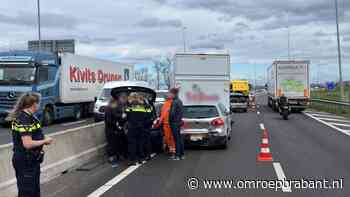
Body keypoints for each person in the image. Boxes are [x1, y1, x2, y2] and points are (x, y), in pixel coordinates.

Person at [6, 92, 53, 197]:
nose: (39, 105)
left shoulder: (31, 117)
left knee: (34, 191)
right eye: (39, 103)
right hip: (25, 161)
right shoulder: (24, 119)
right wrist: (45, 141)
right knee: (27, 192)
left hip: (32, 160)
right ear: (34, 104)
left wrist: (42, 138)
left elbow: (34, 134)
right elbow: (27, 144)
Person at [125, 93, 153, 166]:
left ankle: (132, 160)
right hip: (142, 127)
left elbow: (126, 116)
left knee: (132, 144)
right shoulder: (146, 106)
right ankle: (141, 158)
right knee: (140, 143)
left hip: (132, 127)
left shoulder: (130, 106)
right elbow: (149, 116)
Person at [168, 88, 184, 160]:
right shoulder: (180, 101)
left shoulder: (174, 102)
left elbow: (172, 113)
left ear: (173, 94)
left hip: (174, 123)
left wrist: (170, 120)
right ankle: (181, 154)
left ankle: (177, 155)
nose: (169, 95)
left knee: (176, 139)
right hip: (179, 122)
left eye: (170, 93)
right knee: (179, 138)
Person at [159, 94, 176, 159]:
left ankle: (172, 151)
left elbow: (163, 114)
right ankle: (172, 150)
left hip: (169, 123)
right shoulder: (167, 104)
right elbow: (163, 114)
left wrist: (160, 121)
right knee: (170, 137)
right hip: (168, 123)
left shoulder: (170, 104)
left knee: (170, 137)